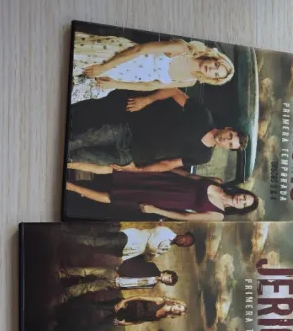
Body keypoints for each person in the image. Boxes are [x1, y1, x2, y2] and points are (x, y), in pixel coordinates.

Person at [67, 85, 248, 171]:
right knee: (80, 139)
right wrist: (147, 100)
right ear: (228, 128)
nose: (226, 140)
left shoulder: (204, 156)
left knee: (79, 157)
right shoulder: (203, 115)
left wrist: (138, 170)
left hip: (132, 156)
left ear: (227, 149)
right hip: (129, 131)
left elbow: (168, 164)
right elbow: (174, 92)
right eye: (230, 136)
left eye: (230, 144)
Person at [72, 32, 234, 102]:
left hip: (120, 77)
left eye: (216, 74)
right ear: (214, 58)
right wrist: (104, 67)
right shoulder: (183, 48)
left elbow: (150, 85)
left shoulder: (189, 81)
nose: (212, 70)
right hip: (114, 57)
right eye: (216, 65)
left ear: (213, 79)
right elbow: (140, 49)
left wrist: (115, 84)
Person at [66, 170, 259, 222]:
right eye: (244, 197)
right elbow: (188, 176)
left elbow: (185, 216)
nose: (241, 200)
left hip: (164, 200)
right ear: (241, 192)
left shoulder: (218, 215)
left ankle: (72, 187)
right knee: (120, 175)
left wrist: (155, 210)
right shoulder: (217, 181)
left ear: (240, 209)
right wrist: (163, 167)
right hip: (166, 181)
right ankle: (76, 172)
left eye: (244, 204)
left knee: (114, 197)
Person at [55, 297, 187, 331]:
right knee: (94, 307)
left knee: (94, 329)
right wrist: (123, 301)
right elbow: (140, 297)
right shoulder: (160, 300)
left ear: (177, 314)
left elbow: (139, 321)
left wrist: (124, 323)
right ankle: (63, 309)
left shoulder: (161, 317)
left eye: (179, 311)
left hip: (122, 318)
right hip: (123, 306)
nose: (177, 309)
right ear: (176, 303)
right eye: (179, 307)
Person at [61, 225, 194, 263]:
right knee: (94, 242)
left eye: (186, 245)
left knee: (96, 249)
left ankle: (68, 244)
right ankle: (64, 236)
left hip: (125, 251)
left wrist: (150, 253)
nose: (183, 243)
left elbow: (147, 259)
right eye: (185, 240)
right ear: (183, 234)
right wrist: (151, 252)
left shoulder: (166, 248)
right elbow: (151, 245)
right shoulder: (165, 231)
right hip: (127, 239)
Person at [59, 265, 178, 297]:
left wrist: (119, 288)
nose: (166, 279)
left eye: (168, 281)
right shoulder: (152, 267)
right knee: (88, 271)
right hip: (115, 273)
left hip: (116, 284)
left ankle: (68, 293)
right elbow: (133, 263)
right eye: (168, 277)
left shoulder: (152, 285)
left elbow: (133, 286)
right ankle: (64, 273)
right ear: (166, 273)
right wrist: (120, 271)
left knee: (90, 288)